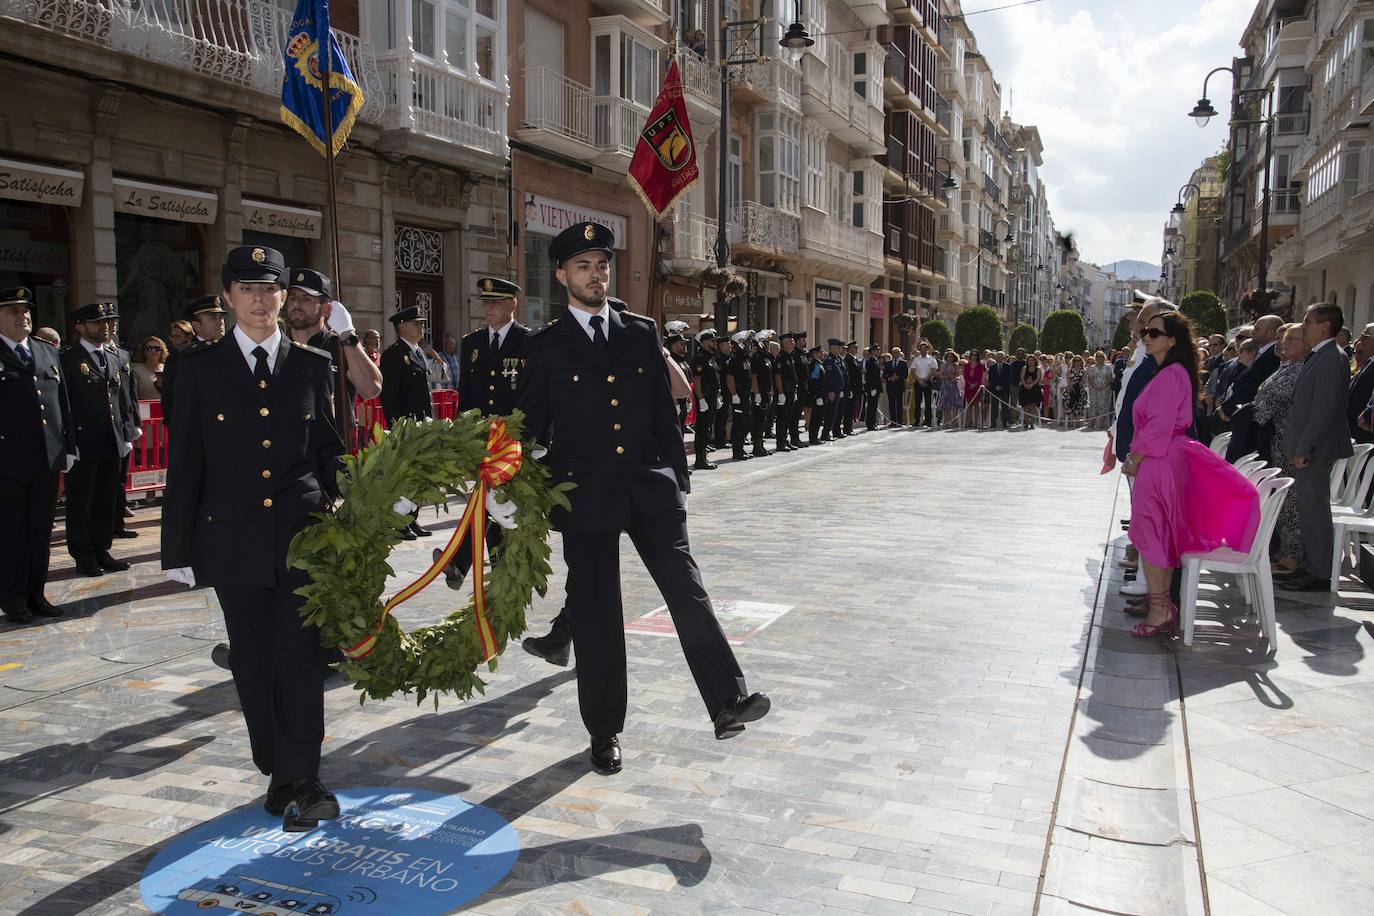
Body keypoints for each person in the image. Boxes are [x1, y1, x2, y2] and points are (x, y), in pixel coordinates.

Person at [516, 222, 769, 774]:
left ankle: (727, 700)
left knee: (686, 586)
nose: (595, 275)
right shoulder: (546, 348)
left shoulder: (638, 332)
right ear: (562, 276)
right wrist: (513, 487)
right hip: (584, 497)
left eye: (602, 264)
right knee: (598, 612)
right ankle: (604, 731)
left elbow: (661, 408)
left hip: (650, 488)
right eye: (583, 266)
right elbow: (528, 431)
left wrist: (677, 478)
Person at [161, 244, 344, 832]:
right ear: (229, 298)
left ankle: (306, 780)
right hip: (232, 540)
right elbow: (186, 463)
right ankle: (279, 768)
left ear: (285, 298)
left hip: (303, 539)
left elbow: (329, 453)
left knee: (301, 658)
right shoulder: (197, 369)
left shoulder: (313, 366)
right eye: (249, 290)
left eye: (271, 290)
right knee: (253, 662)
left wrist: (374, 494)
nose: (261, 301)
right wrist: (178, 549)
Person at [1123, 309, 1259, 636]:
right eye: (1146, 332)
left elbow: (1158, 424)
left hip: (1158, 461)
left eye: (1154, 333)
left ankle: (1158, 609)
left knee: (1152, 533)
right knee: (1158, 533)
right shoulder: (1172, 372)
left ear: (1172, 340)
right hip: (1164, 458)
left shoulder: (1171, 375)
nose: (1147, 337)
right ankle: (1161, 605)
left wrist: (1135, 458)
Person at [0, 287, 76, 623]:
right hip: (7, 462)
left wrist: (70, 445)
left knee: (39, 532)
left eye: (26, 310)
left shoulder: (45, 352)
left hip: (46, 458)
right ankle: (12, 598)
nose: (23, 316)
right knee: (10, 532)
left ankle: (36, 592)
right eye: (13, 311)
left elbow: (62, 403)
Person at [1279, 303, 1355, 591]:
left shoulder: (1331, 357)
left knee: (1315, 511)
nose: (1304, 325)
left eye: (1308, 321)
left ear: (1324, 326)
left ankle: (1320, 572)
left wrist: (1304, 448)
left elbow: (1323, 410)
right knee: (1309, 510)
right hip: (1310, 448)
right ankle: (1311, 566)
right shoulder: (1321, 355)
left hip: (1316, 450)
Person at [60, 302, 134, 578]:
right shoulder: (68, 358)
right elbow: (64, 403)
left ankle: (102, 548)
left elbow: (122, 396)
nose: (104, 328)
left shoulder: (113, 356)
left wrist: (127, 430)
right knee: (82, 501)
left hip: (110, 439)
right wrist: (68, 443)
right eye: (96, 323)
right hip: (83, 441)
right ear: (79, 327)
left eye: (107, 322)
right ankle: (83, 555)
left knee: (106, 499)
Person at [284, 269, 384, 442]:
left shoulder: (341, 346)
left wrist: (347, 334)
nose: (297, 303)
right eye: (292, 297)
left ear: (326, 309)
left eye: (307, 298)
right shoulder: (279, 346)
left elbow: (371, 388)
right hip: (290, 453)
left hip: (334, 454)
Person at [1253, 323, 1308, 576]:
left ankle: (1293, 556)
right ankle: (1285, 552)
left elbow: (1276, 397)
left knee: (1291, 502)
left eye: (1290, 339)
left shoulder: (1301, 368)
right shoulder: (1286, 365)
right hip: (1276, 440)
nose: (1284, 343)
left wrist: (1256, 414)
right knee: (1284, 503)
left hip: (1288, 440)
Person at [380, 305, 435, 539]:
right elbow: (389, 395)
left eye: (421, 323)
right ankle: (400, 523)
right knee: (404, 477)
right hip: (406, 427)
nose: (421, 327)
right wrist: (396, 426)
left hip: (422, 426)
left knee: (419, 475)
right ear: (402, 326)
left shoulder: (418, 352)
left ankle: (413, 520)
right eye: (416, 323)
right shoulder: (393, 354)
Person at [161, 296, 228, 430]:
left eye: (221, 317)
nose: (220, 322)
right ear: (196, 325)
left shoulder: (232, 351)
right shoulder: (181, 356)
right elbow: (171, 401)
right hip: (199, 432)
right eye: (213, 317)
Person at [693, 329, 721, 470]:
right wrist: (701, 398)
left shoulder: (711, 356)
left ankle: (703, 457)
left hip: (711, 396)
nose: (714, 343)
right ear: (704, 343)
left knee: (708, 427)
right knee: (702, 428)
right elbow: (697, 380)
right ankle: (700, 459)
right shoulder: (700, 357)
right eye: (712, 341)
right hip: (704, 397)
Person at [725, 330, 754, 460]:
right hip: (739, 395)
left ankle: (741, 448)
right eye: (747, 341)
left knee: (745, 422)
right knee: (738, 424)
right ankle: (737, 451)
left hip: (746, 395)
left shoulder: (745, 358)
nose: (750, 344)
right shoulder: (735, 360)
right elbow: (730, 378)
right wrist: (734, 395)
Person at [1346, 323, 1374, 444]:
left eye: (1365, 336)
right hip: (1354, 434)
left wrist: (1368, 417)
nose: (1360, 339)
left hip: (1365, 437)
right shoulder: (1370, 362)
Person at [910, 340, 938, 428]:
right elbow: (912, 371)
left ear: (927, 349)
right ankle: (917, 420)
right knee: (917, 402)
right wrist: (919, 380)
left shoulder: (932, 359)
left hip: (927, 381)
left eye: (924, 348)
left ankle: (928, 420)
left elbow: (933, 371)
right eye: (921, 348)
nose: (923, 350)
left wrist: (925, 379)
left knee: (928, 402)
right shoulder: (916, 359)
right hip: (918, 382)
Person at [823, 339, 846, 439]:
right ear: (832, 348)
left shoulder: (837, 359)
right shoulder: (829, 361)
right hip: (832, 391)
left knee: (837, 413)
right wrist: (830, 391)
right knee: (830, 413)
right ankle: (826, 433)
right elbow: (828, 378)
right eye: (838, 347)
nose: (839, 349)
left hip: (838, 390)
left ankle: (836, 431)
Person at [1086, 350, 1114, 430]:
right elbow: (1090, 377)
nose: (1099, 358)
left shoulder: (1107, 367)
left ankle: (1101, 424)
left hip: (1104, 389)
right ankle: (1091, 423)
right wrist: (1095, 386)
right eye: (1098, 356)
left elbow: (1109, 377)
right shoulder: (1092, 367)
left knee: (1103, 405)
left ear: (1104, 357)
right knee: (1094, 405)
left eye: (1101, 356)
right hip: (1094, 389)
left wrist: (1104, 385)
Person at [133, 336, 167, 400]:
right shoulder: (136, 370)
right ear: (143, 351)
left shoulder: (167, 368)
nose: (153, 351)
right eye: (149, 348)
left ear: (161, 351)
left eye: (157, 348)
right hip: (144, 408)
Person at [1018, 351, 1042, 427]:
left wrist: (1031, 385)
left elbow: (1038, 378)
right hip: (1025, 389)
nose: (1031, 362)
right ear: (1027, 361)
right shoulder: (1024, 368)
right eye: (1029, 360)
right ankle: (1026, 421)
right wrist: (1025, 384)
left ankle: (1031, 422)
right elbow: (1022, 378)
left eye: (1032, 360)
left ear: (1035, 361)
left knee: (1032, 405)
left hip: (1034, 389)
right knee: (1026, 405)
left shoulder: (1038, 369)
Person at [885, 347, 907, 428]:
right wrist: (889, 378)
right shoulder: (888, 363)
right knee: (891, 404)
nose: (895, 354)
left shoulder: (903, 363)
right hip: (890, 386)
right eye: (894, 352)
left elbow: (905, 374)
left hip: (899, 386)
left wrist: (898, 377)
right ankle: (893, 421)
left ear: (899, 353)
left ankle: (899, 420)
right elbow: (885, 374)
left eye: (897, 352)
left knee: (899, 403)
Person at [962, 348, 985, 428]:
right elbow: (965, 375)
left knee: (976, 405)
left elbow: (980, 376)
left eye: (975, 355)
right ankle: (969, 422)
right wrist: (969, 384)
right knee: (969, 405)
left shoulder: (980, 366)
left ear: (977, 356)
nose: (973, 356)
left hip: (977, 387)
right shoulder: (967, 365)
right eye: (972, 355)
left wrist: (975, 384)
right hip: (968, 387)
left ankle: (976, 422)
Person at [863, 345, 882, 430]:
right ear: (873, 351)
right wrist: (872, 387)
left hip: (876, 387)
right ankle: (870, 424)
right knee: (871, 406)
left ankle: (872, 423)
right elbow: (870, 376)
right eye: (877, 350)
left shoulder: (875, 360)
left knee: (873, 406)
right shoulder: (871, 361)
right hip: (872, 387)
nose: (879, 352)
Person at [1064, 355, 1087, 425]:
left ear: (1081, 362)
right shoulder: (1069, 370)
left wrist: (1078, 387)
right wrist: (1073, 388)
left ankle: (1077, 419)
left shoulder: (1083, 371)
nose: (1077, 362)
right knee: (1068, 399)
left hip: (1080, 389)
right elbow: (1068, 380)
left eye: (1078, 361)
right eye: (1075, 361)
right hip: (1071, 388)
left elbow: (1083, 380)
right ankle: (1071, 419)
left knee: (1080, 399)